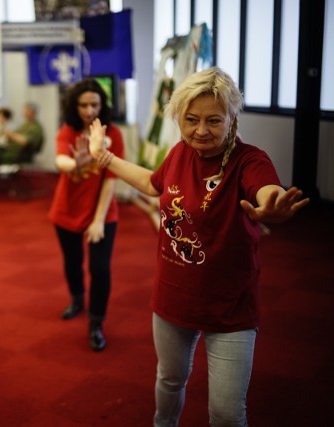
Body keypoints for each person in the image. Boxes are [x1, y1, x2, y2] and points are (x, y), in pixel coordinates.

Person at [88, 67, 310, 425]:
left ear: (232, 118)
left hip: (230, 305)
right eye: (191, 120)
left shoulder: (249, 160)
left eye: (213, 121)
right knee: (169, 380)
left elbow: (266, 188)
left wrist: (273, 204)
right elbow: (151, 182)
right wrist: (104, 157)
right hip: (174, 297)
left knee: (225, 412)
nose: (201, 131)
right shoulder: (179, 152)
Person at [48, 78, 125, 352]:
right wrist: (78, 161)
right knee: (73, 261)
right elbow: (60, 162)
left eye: (94, 104)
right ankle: (77, 298)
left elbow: (111, 180)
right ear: (74, 106)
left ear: (103, 105)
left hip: (102, 212)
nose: (89, 110)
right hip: (66, 209)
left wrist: (98, 220)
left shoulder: (113, 134)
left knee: (100, 268)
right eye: (83, 105)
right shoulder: (68, 132)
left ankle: (96, 322)